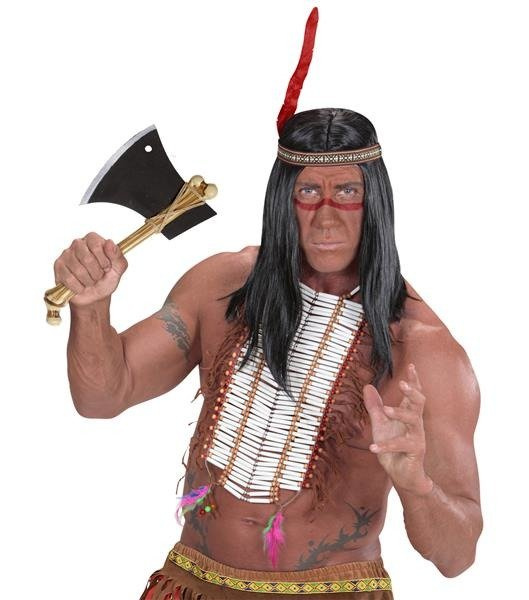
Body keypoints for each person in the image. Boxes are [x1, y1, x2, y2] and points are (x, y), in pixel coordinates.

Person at [55, 106, 482, 600]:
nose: (326, 219)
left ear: (376, 202)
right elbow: (102, 397)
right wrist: (91, 308)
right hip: (191, 584)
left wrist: (415, 484)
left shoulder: (425, 351)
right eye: (308, 192)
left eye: (347, 192)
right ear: (282, 199)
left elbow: (458, 555)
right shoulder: (221, 285)